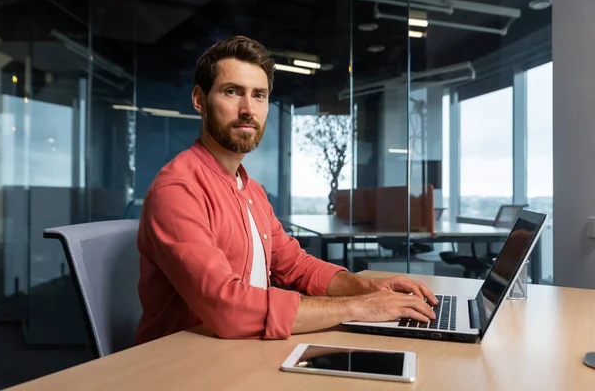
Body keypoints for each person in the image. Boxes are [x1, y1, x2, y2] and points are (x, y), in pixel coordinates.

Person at [135, 35, 438, 344]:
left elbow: (295, 265)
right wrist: (356, 307)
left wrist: (369, 288)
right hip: (186, 360)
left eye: (259, 95)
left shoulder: (251, 190)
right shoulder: (178, 189)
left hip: (245, 349)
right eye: (231, 92)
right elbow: (227, 307)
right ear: (199, 99)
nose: (248, 109)